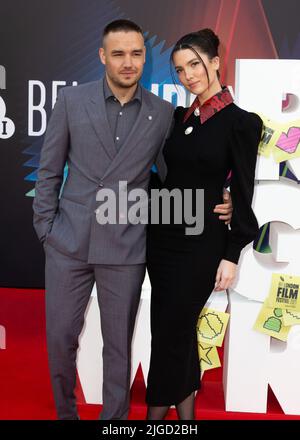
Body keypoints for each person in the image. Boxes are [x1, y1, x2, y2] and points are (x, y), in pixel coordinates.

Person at [33, 20, 232, 420]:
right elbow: (49, 172)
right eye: (119, 54)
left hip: (125, 247)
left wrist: (222, 197)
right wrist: (47, 231)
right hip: (67, 243)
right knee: (59, 340)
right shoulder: (72, 103)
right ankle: (65, 414)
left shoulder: (163, 114)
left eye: (137, 54)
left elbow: (177, 174)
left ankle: (114, 422)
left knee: (118, 346)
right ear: (103, 56)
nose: (129, 62)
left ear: (146, 57)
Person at [145, 28, 262, 420]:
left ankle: (154, 420)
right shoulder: (180, 118)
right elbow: (169, 177)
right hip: (162, 242)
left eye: (195, 64)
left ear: (215, 62)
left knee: (172, 329)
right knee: (168, 329)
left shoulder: (242, 123)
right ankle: (187, 418)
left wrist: (232, 254)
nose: (188, 75)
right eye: (179, 70)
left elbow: (242, 192)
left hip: (201, 246)